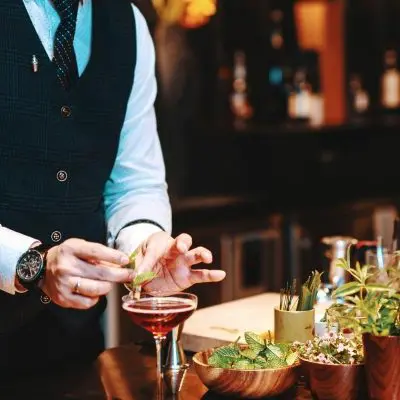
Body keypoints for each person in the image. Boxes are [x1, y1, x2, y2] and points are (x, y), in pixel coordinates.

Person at [0, 0, 225, 378]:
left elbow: (134, 179)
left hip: (72, 351)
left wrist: (146, 251)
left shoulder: (127, 22)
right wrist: (31, 264)